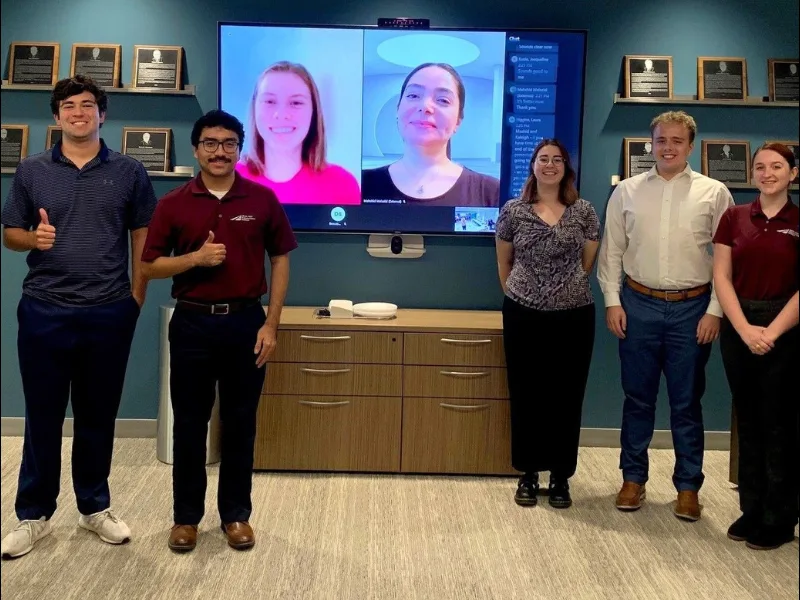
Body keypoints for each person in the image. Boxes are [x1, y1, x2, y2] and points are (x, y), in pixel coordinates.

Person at [0, 74, 157, 559]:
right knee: (42, 415)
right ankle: (33, 516)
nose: (78, 113)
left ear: (102, 114)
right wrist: (34, 239)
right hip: (44, 309)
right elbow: (10, 232)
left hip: (108, 311)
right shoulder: (31, 170)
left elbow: (142, 236)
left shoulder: (129, 171)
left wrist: (135, 295)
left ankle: (94, 507)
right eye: (69, 105)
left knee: (97, 415)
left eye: (88, 105)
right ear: (57, 116)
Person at [141, 109, 298, 552]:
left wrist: (272, 322)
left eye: (229, 143)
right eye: (210, 143)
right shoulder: (173, 204)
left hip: (247, 323)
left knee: (240, 424)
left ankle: (235, 515)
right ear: (196, 149)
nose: (219, 151)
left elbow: (281, 258)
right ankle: (186, 518)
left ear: (239, 149)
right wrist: (194, 259)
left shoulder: (261, 200)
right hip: (191, 324)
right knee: (189, 425)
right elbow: (149, 266)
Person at [597, 110, 734, 521]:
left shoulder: (715, 192)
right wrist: (612, 300)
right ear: (650, 144)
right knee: (637, 398)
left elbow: (725, 260)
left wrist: (715, 311)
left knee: (686, 402)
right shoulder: (627, 191)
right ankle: (633, 479)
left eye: (677, 141)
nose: (668, 147)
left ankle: (688, 487)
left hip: (693, 309)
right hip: (637, 304)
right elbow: (612, 250)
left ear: (690, 146)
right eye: (661, 140)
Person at [496, 139, 600, 508]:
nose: (550, 165)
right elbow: (503, 263)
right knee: (526, 393)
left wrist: (560, 290)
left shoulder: (584, 211)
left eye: (557, 160)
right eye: (544, 159)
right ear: (533, 165)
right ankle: (528, 473)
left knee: (566, 396)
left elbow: (587, 261)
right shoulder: (513, 210)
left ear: (566, 168)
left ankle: (560, 477)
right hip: (524, 313)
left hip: (573, 316)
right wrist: (528, 294)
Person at [712, 142, 799, 550]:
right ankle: (751, 509)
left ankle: (779, 516)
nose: (767, 173)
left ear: (792, 174)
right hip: (739, 326)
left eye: (777, 166)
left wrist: (773, 332)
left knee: (780, 424)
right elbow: (722, 277)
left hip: (787, 328)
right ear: (751, 175)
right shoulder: (733, 217)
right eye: (760, 167)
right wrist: (745, 329)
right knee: (747, 421)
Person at [361, 62, 500, 207]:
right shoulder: (359, 184)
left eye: (443, 100)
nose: (425, 107)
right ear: (398, 109)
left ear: (458, 120)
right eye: (413, 95)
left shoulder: (490, 193)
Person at [236, 61, 360, 206]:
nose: (281, 114)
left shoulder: (342, 185)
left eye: (296, 103)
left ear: (314, 112)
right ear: (254, 109)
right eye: (269, 101)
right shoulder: (228, 181)